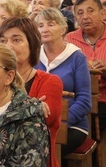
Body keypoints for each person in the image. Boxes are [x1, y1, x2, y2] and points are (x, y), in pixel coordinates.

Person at [0, 17, 63, 167]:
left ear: (32, 45)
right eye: (3, 41)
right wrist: (30, 107)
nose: (8, 46)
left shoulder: (50, 82)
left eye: (16, 40)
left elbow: (40, 122)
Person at [65, 0, 106, 133]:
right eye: (80, 13)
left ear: (102, 14)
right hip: (79, 100)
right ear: (75, 18)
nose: (85, 16)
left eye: (90, 11)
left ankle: (95, 153)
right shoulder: (70, 38)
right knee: (60, 123)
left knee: (86, 129)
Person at [34, 8, 92, 158]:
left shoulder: (77, 57)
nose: (45, 29)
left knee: (41, 150)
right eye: (40, 26)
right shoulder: (34, 57)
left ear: (63, 29)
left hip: (73, 125)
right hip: (37, 125)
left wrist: (60, 122)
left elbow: (85, 101)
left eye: (51, 25)